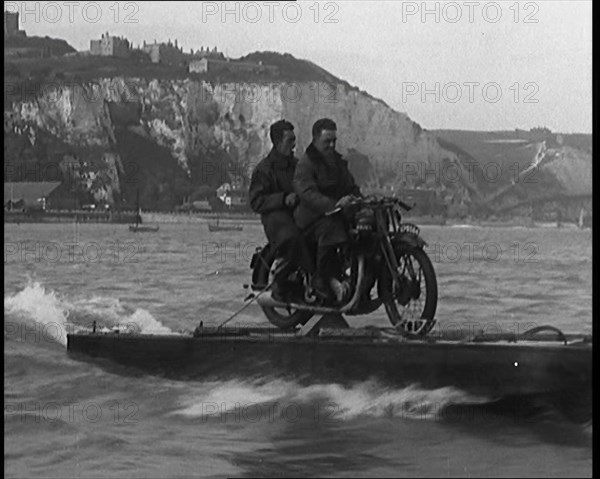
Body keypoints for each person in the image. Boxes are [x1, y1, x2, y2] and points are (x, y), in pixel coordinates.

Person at [293, 118, 362, 302]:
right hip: (311, 219)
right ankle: (320, 280)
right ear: (315, 140)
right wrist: (336, 205)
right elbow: (306, 193)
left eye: (334, 141)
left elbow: (350, 185)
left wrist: (359, 199)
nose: (331, 145)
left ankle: (354, 275)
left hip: (335, 214)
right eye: (327, 141)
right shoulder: (306, 163)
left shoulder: (338, 162)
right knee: (331, 227)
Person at [249, 119, 311, 301]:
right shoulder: (263, 169)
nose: (294, 144)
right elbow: (256, 201)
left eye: (294, 140)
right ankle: (280, 283)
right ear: (277, 143)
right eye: (289, 140)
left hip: (298, 214)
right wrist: (283, 199)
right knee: (291, 237)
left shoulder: (298, 165)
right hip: (275, 218)